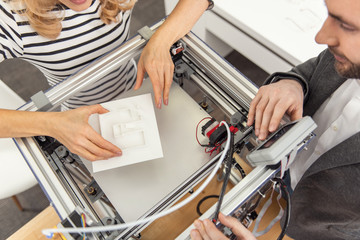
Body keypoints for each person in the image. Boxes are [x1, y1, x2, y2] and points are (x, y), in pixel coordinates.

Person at [191, 0, 360, 239]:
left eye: (347, 26)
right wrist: (293, 83)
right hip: (280, 183)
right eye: (330, 14)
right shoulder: (350, 56)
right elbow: (316, 68)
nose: (321, 37)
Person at [0, 0, 211, 161]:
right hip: (80, 123)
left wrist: (161, 40)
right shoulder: (11, 15)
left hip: (139, 95)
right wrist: (52, 124)